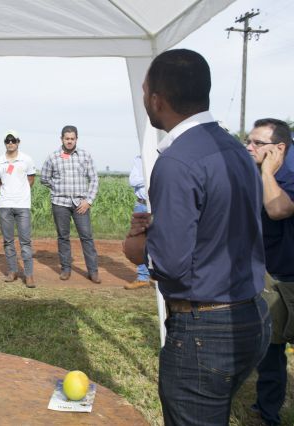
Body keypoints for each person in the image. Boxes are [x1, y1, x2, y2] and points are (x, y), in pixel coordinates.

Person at [122, 49, 270, 425]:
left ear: (157, 100)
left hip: (205, 329)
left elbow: (171, 264)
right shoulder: (236, 150)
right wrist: (167, 226)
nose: (144, 99)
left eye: (145, 92)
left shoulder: (176, 161)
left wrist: (140, 246)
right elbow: (226, 223)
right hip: (252, 316)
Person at [246, 118, 294, 426]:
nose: (249, 147)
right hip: (272, 273)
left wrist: (267, 173)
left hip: (289, 275)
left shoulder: (287, 174)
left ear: (279, 148)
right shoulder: (257, 171)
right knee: (272, 346)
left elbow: (278, 209)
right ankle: (267, 412)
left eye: (257, 143)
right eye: (248, 141)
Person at [40, 125, 101, 284]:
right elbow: (44, 178)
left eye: (72, 139)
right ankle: (66, 269)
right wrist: (57, 187)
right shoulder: (53, 157)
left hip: (81, 204)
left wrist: (88, 201)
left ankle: (93, 271)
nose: (69, 141)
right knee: (63, 237)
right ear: (61, 139)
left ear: (76, 139)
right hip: (60, 203)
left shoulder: (85, 156)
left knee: (86, 237)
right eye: (67, 138)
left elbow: (94, 179)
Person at [0, 130, 36, 288]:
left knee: (25, 241)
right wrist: (8, 194)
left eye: (13, 140)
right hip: (5, 205)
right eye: (7, 140)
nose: (10, 143)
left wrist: (19, 193)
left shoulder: (26, 160)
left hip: (23, 205)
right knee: (8, 241)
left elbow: (31, 179)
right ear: (5, 142)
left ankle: (29, 275)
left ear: (18, 142)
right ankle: (12, 271)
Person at [123, 155, 151, 290]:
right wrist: (149, 178)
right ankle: (143, 278)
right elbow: (133, 181)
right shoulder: (140, 159)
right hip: (142, 204)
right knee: (139, 242)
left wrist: (144, 179)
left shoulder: (166, 157)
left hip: (161, 204)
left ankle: (165, 277)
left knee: (165, 241)